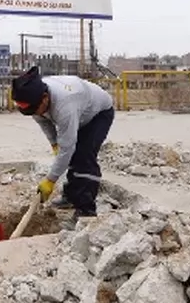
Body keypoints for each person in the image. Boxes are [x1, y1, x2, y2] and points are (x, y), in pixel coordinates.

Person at [11, 66, 115, 218]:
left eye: (35, 110)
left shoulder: (65, 105)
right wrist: (54, 143)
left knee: (84, 157)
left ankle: (86, 210)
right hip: (79, 113)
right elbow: (44, 122)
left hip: (99, 114)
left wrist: (50, 180)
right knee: (70, 157)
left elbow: (67, 147)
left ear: (45, 98)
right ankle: (71, 197)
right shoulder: (34, 98)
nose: (35, 114)